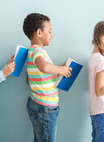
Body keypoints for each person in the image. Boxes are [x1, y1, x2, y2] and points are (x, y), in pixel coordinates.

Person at [23, 13, 72, 142]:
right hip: (44, 107)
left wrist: (58, 71)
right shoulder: (37, 51)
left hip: (39, 104)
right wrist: (60, 69)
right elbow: (44, 67)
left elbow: (35, 77)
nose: (52, 35)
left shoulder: (33, 52)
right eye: (49, 31)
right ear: (39, 32)